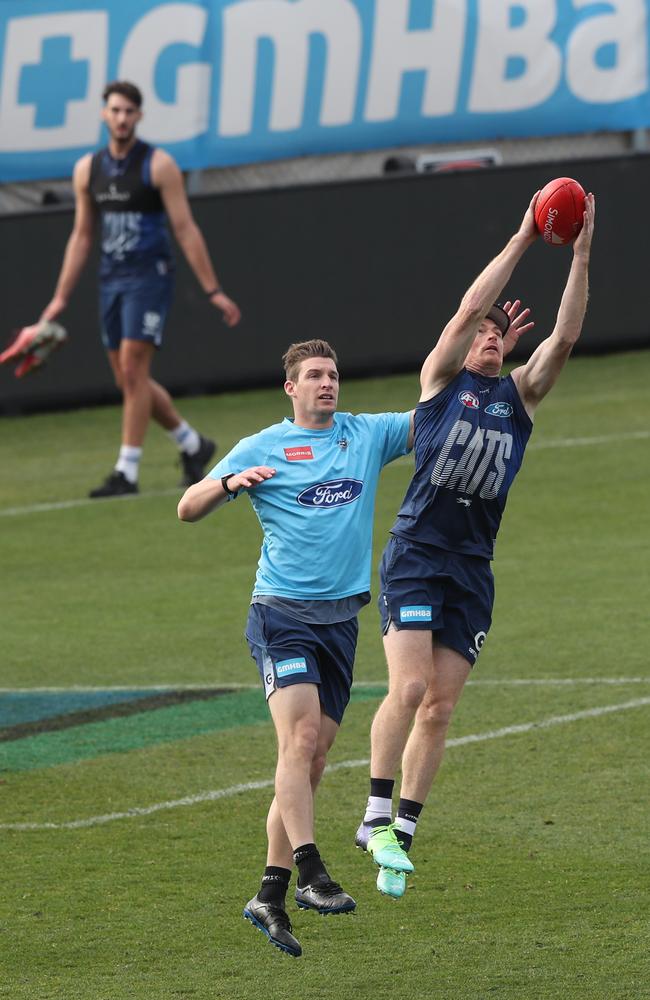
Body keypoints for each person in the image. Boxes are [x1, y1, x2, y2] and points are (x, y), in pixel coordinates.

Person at [355, 191, 596, 900]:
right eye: (480, 333)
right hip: (417, 555)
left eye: (498, 334)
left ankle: (404, 830)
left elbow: (567, 339)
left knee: (442, 707)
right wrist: (525, 235)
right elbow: (464, 312)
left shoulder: (519, 398)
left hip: (471, 570)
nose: (487, 337)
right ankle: (372, 814)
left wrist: (580, 251)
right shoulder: (439, 384)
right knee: (410, 685)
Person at [178, 339, 413, 957]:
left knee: (308, 765)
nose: (327, 383)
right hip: (280, 614)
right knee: (300, 741)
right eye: (314, 375)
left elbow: (434, 416)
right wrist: (230, 481)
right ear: (292, 387)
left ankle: (270, 894)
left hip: (341, 622)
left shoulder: (365, 436)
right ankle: (311, 870)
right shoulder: (265, 445)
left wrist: (489, 368)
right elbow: (187, 506)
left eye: (334, 374)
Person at [39, 80, 242, 498]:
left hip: (150, 278)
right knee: (130, 379)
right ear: (104, 114)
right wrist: (59, 298)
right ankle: (192, 443)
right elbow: (81, 236)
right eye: (115, 110)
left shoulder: (158, 165)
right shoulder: (87, 170)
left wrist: (212, 289)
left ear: (139, 116)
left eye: (129, 111)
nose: (122, 118)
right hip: (110, 280)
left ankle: (126, 472)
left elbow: (185, 229)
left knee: (133, 370)